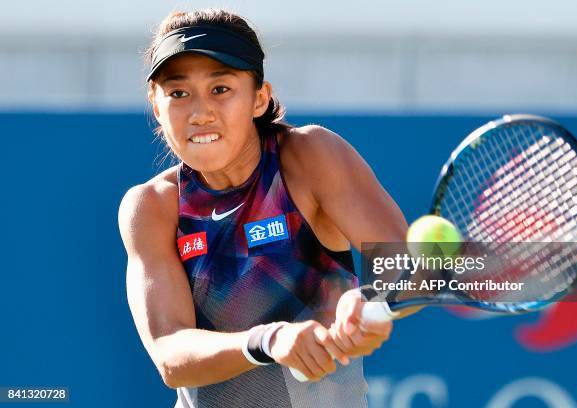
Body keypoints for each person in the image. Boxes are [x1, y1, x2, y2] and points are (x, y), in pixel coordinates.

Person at [118, 8, 413, 408]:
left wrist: (373, 302)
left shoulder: (311, 157)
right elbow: (170, 354)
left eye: (220, 89)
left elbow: (416, 267)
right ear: (157, 107)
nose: (200, 113)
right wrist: (269, 341)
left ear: (259, 98)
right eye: (178, 93)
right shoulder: (152, 206)